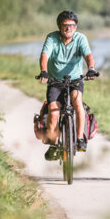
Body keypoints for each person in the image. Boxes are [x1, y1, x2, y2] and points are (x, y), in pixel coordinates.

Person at [36, 10, 98, 161]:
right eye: (65, 25)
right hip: (55, 81)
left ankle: (79, 139)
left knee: (77, 103)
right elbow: (45, 55)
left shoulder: (80, 38)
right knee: (54, 111)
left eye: (72, 25)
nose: (68, 28)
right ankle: (53, 143)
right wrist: (44, 72)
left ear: (76, 27)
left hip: (75, 80)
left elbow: (88, 55)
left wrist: (91, 69)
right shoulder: (52, 38)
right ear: (59, 26)